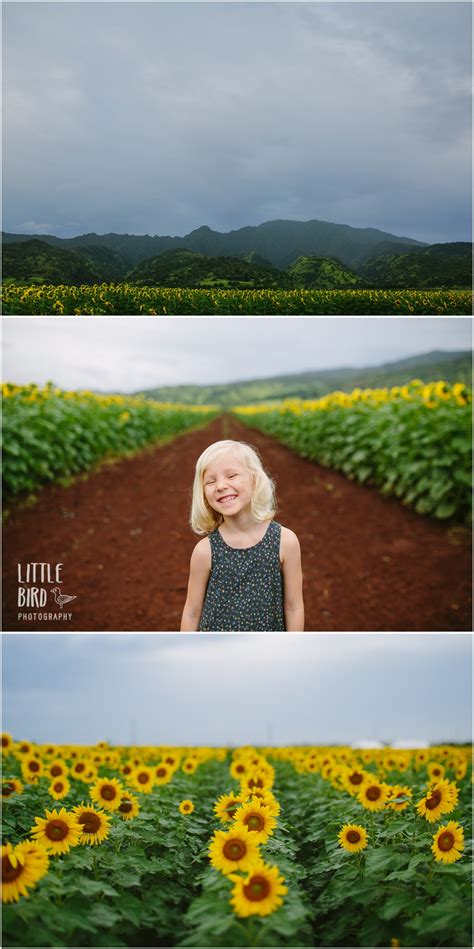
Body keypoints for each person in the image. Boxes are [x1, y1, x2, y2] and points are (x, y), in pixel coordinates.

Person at [180, 439, 304, 631]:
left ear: (255, 479)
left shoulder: (285, 542)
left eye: (231, 475)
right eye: (210, 481)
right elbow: (192, 612)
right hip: (216, 652)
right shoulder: (204, 551)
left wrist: (293, 649)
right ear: (203, 493)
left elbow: (293, 606)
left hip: (267, 651)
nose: (220, 485)